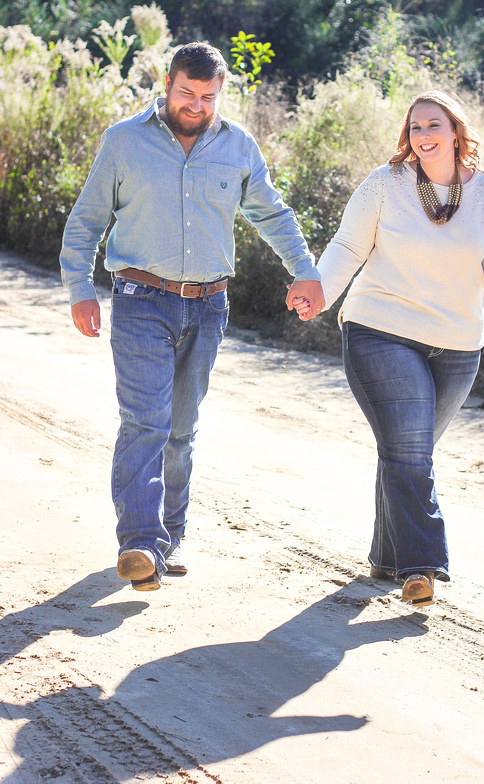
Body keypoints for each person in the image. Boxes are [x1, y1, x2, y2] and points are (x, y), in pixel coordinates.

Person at [61, 42, 324, 591]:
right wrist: (80, 287)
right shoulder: (124, 142)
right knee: (145, 422)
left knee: (181, 429)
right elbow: (86, 220)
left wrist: (306, 268)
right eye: (187, 93)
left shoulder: (237, 147)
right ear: (166, 82)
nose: (196, 106)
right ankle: (139, 542)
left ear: (219, 93)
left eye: (207, 96)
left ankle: (168, 537)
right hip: (141, 299)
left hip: (209, 305)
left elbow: (271, 212)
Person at [291, 90, 484, 608]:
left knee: (409, 452)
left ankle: (386, 555)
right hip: (380, 330)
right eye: (416, 127)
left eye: (434, 125)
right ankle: (421, 566)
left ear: (455, 132)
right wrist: (319, 289)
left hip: (457, 345)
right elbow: (348, 246)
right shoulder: (385, 185)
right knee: (408, 451)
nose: (424, 136)